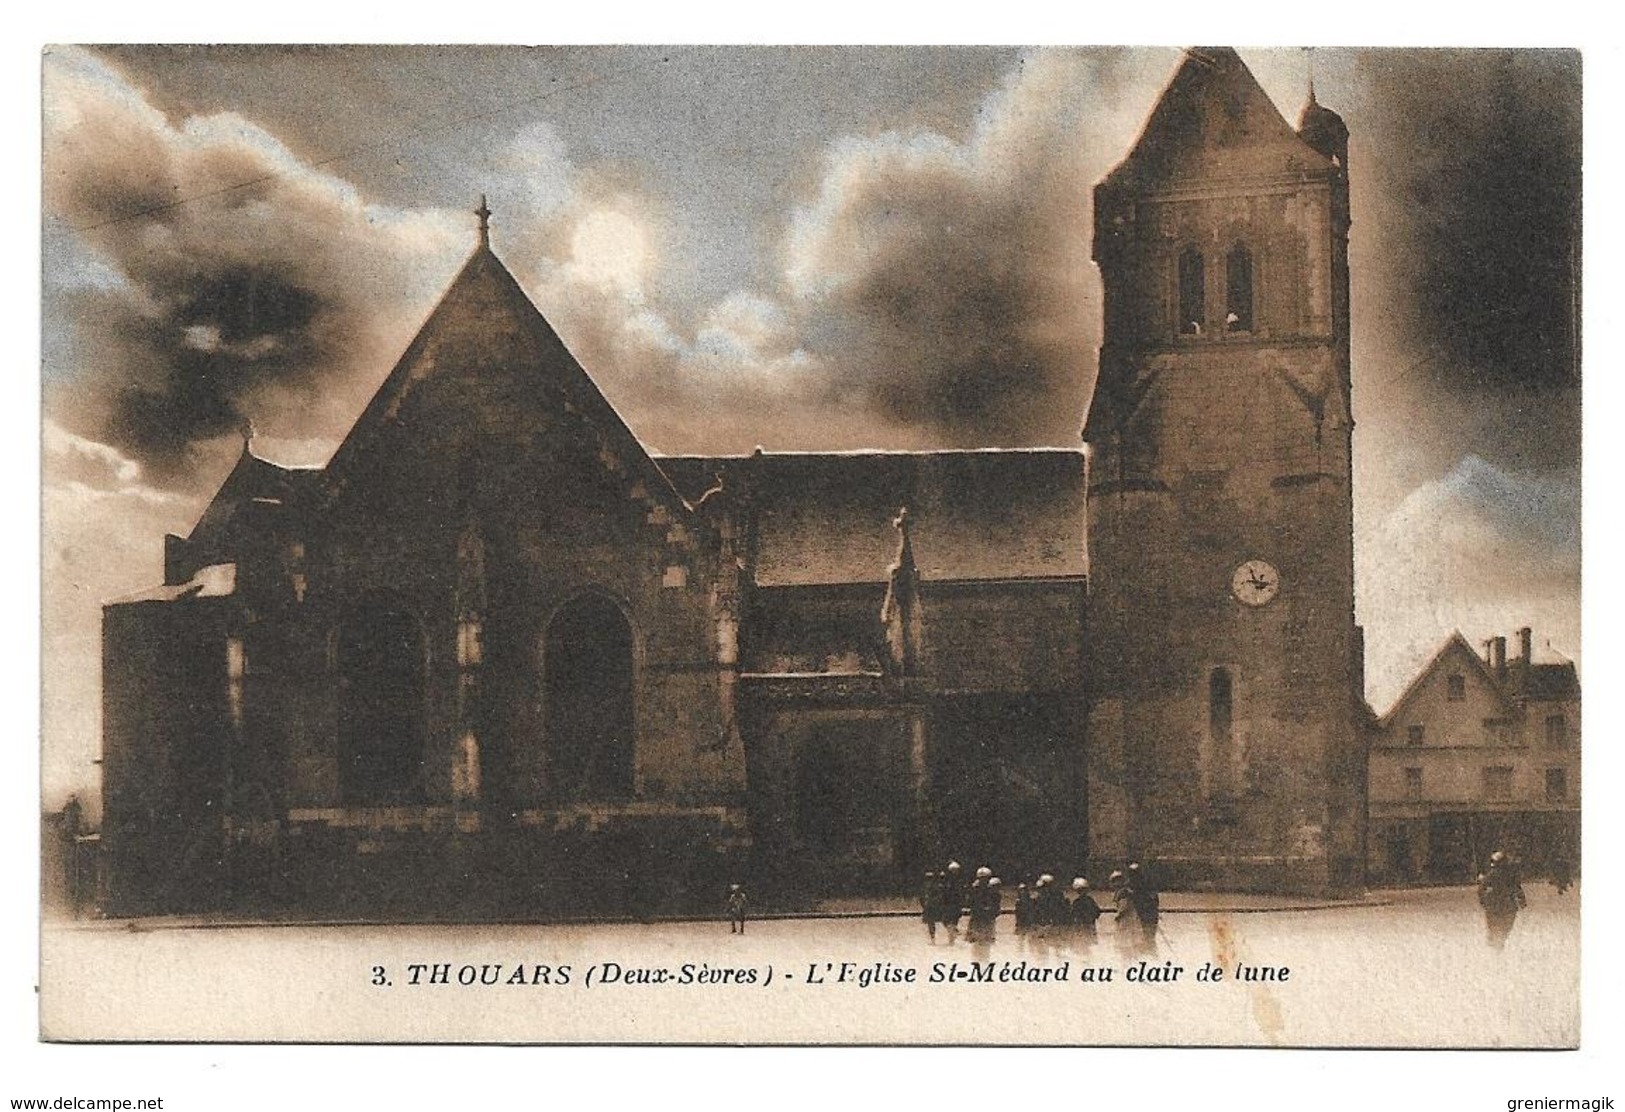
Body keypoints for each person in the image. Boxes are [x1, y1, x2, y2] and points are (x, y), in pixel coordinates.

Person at [1478, 850, 1527, 950]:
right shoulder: (1509, 875)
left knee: (1495, 926)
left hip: (1494, 906)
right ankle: (1498, 941)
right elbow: (1517, 888)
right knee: (1505, 926)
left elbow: (1481, 889)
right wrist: (1522, 901)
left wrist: (1483, 901)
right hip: (1506, 905)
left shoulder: (1491, 875)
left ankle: (1495, 941)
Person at [1128, 861, 1160, 950]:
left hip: (1147, 912)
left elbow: (1153, 898)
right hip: (1143, 912)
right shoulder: (1132, 884)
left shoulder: (1144, 883)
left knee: (1148, 935)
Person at [1110, 870, 1143, 957]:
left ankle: (1128, 955)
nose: (1115, 884)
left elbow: (1124, 906)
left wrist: (1118, 915)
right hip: (1129, 917)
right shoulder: (1123, 891)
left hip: (1127, 918)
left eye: (1117, 881)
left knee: (1126, 936)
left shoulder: (1123, 892)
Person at [1067, 877, 1103, 951]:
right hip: (1090, 925)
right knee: (1088, 946)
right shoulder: (1090, 900)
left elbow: (1072, 915)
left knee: (1082, 946)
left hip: (1081, 926)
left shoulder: (1077, 902)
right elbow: (1097, 912)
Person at [940, 861, 967, 944]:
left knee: (949, 919)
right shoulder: (953, 881)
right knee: (950, 920)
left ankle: (952, 936)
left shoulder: (951, 881)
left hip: (952, 902)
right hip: (952, 902)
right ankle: (952, 933)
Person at [920, 871, 941, 943]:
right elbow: (922, 897)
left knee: (931, 922)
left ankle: (933, 937)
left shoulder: (933, 887)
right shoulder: (926, 887)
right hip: (929, 906)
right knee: (930, 922)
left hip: (931, 906)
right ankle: (932, 937)